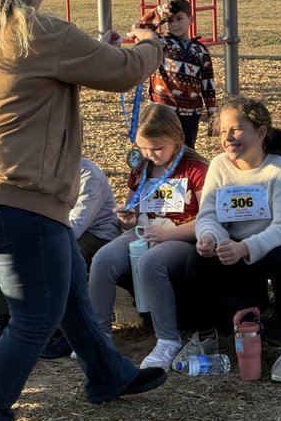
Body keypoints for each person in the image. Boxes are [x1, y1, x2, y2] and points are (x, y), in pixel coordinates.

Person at [0, 0, 167, 421]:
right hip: (23, 197)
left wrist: (93, 49)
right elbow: (126, 70)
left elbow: (46, 74)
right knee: (32, 321)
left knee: (66, 291)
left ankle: (108, 374)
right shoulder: (38, 32)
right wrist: (153, 39)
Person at [178, 95, 281, 383]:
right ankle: (205, 336)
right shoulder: (219, 165)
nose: (228, 137)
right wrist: (209, 237)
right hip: (233, 248)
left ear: (261, 133)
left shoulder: (277, 169)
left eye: (237, 129)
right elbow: (208, 216)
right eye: (224, 131)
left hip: (271, 247)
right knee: (195, 257)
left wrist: (246, 247)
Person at [88, 103, 209, 371]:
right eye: (144, 147)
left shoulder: (196, 169)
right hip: (146, 229)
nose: (150, 154)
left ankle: (167, 339)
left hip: (182, 235)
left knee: (151, 263)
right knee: (104, 258)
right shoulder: (143, 166)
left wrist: (168, 234)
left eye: (157, 148)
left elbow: (208, 219)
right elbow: (136, 203)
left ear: (177, 139)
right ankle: (99, 334)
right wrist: (129, 215)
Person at [0, 156, 122, 357]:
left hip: (94, 235)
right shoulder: (41, 171)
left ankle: (64, 331)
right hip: (52, 230)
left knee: (61, 255)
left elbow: (77, 224)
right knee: (7, 247)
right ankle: (6, 319)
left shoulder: (89, 176)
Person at [144, 0, 216, 148]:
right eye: (170, 21)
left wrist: (212, 114)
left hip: (190, 113)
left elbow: (208, 85)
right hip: (162, 109)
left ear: (191, 19)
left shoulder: (200, 51)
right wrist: (160, 12)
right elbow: (139, 29)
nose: (175, 24)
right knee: (160, 147)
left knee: (186, 149)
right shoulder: (160, 42)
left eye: (179, 18)